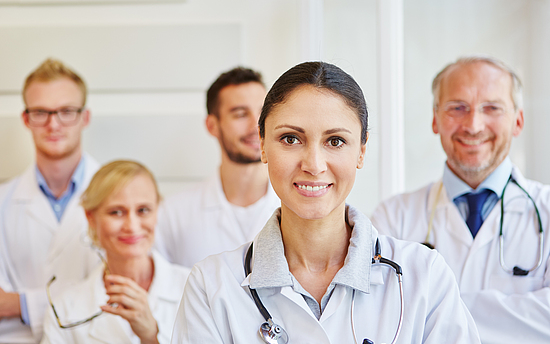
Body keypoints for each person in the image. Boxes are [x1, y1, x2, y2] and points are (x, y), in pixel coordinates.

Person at [171, 62, 480, 343]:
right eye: (291, 139)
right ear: (263, 145)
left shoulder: (424, 277)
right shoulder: (210, 287)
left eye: (335, 141)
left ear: (361, 151)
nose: (314, 164)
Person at [371, 55, 550, 343]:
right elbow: (377, 317)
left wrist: (432, 308)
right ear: (435, 119)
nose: (474, 125)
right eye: (458, 108)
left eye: (492, 108)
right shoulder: (394, 218)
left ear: (518, 121)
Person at [0, 58, 100, 343]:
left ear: (85, 117)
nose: (53, 124)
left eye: (66, 111)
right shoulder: (3, 202)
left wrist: (18, 305)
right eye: (41, 112)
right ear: (26, 119)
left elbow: (114, 295)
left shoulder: (120, 199)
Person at [41, 160, 191, 344]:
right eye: (116, 212)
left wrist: (151, 336)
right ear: (91, 217)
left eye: (143, 210)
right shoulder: (64, 310)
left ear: (157, 210)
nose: (132, 226)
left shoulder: (195, 289)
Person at [154, 67, 280, 268]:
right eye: (240, 114)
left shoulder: (298, 206)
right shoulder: (173, 214)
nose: (256, 125)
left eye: (262, 112)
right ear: (212, 125)